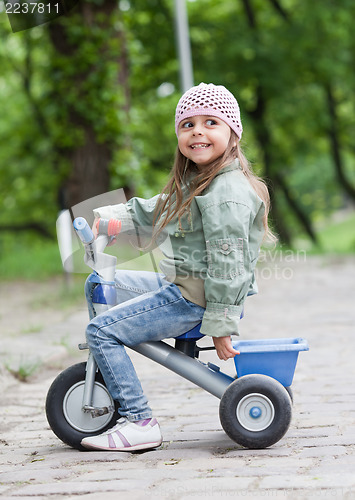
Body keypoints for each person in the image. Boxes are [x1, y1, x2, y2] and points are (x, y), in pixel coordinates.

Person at [80, 82, 273, 452]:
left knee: (101, 331)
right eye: (188, 124)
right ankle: (111, 373)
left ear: (233, 135)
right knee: (97, 283)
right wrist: (104, 219)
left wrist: (220, 325)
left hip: (197, 300)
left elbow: (228, 265)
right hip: (182, 286)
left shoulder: (226, 195)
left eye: (210, 123)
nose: (198, 130)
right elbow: (155, 209)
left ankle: (139, 420)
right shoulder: (197, 184)